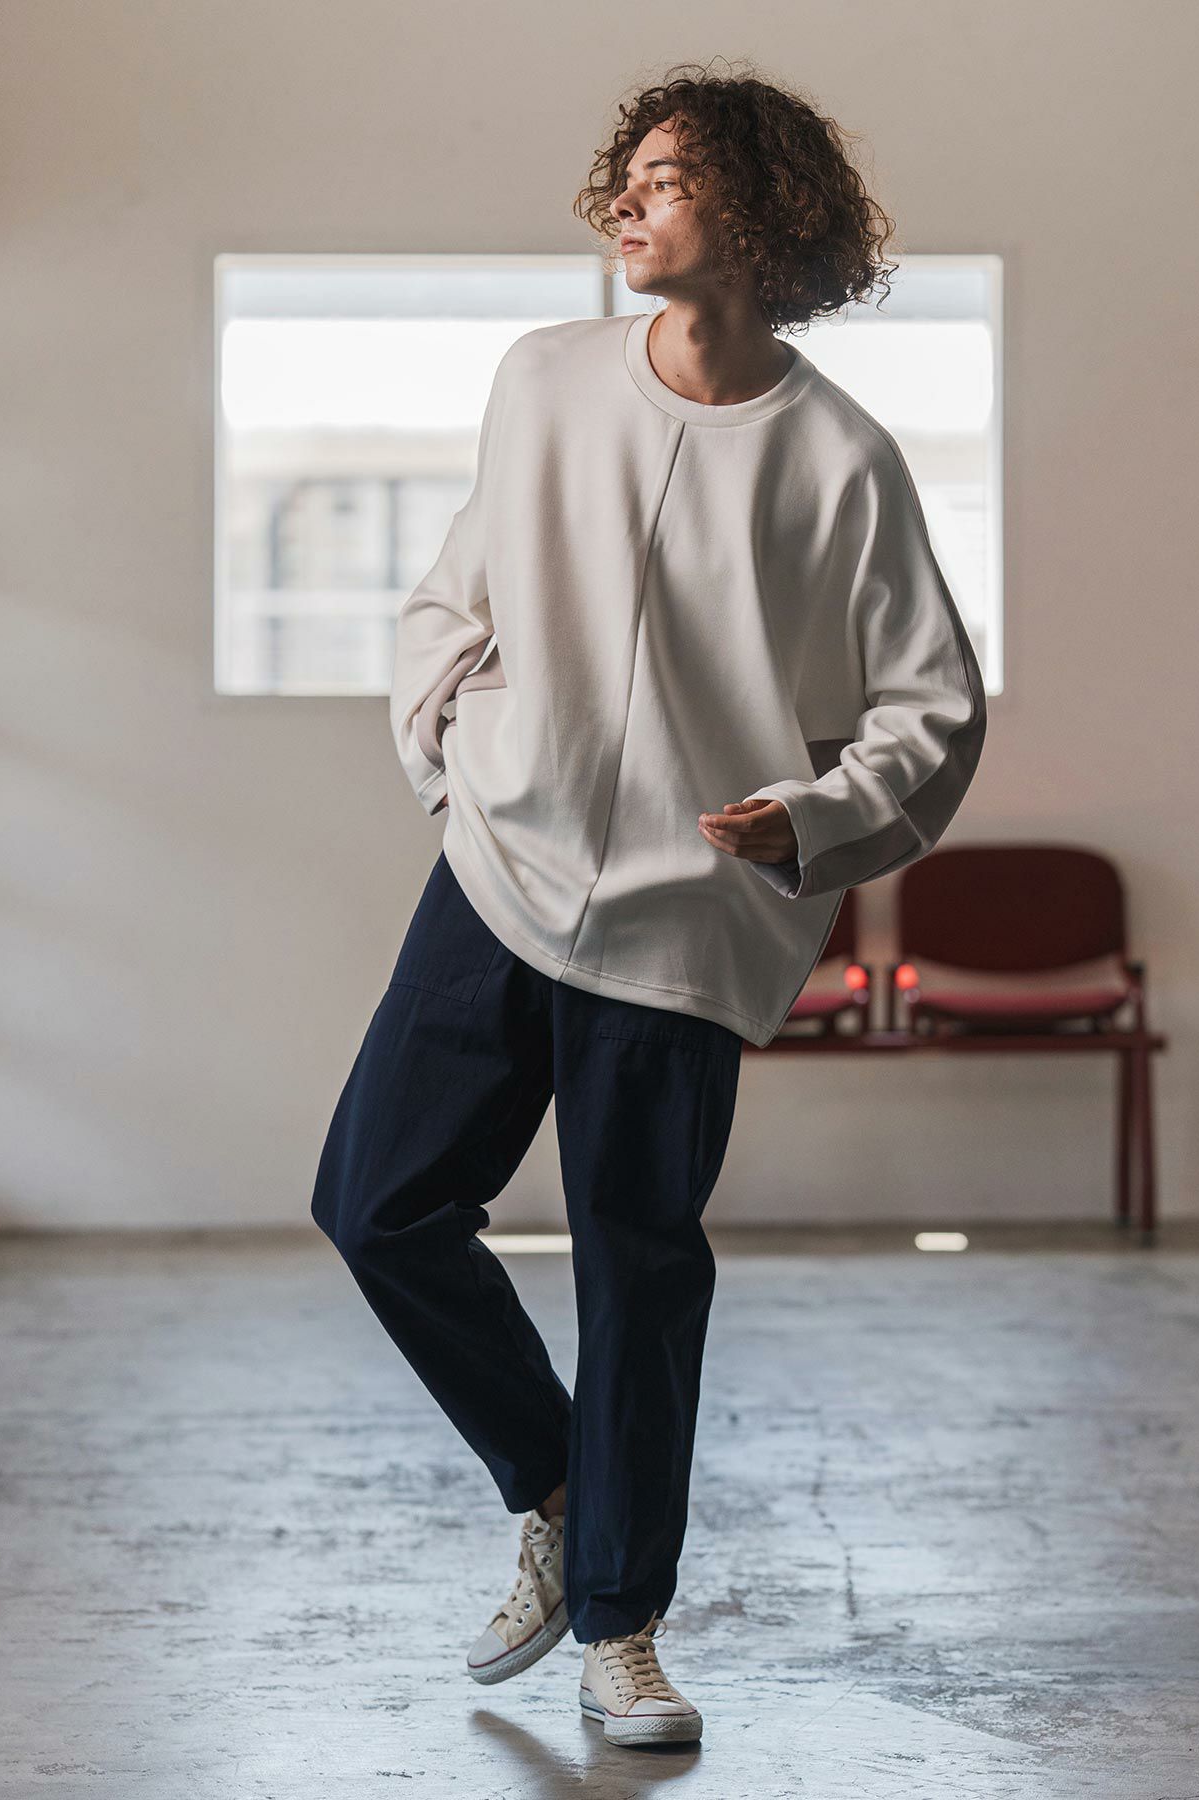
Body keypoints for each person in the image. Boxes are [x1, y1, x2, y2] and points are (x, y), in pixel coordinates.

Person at [311, 59, 987, 1751]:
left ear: (760, 214)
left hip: (689, 917)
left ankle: (621, 1628)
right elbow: (450, 601)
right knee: (375, 1201)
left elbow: (934, 709)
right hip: (501, 872)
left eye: (670, 178)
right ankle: (558, 1485)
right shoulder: (545, 381)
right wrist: (453, 766)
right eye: (631, 172)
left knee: (639, 1269)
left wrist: (811, 820)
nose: (628, 199)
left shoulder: (840, 458)